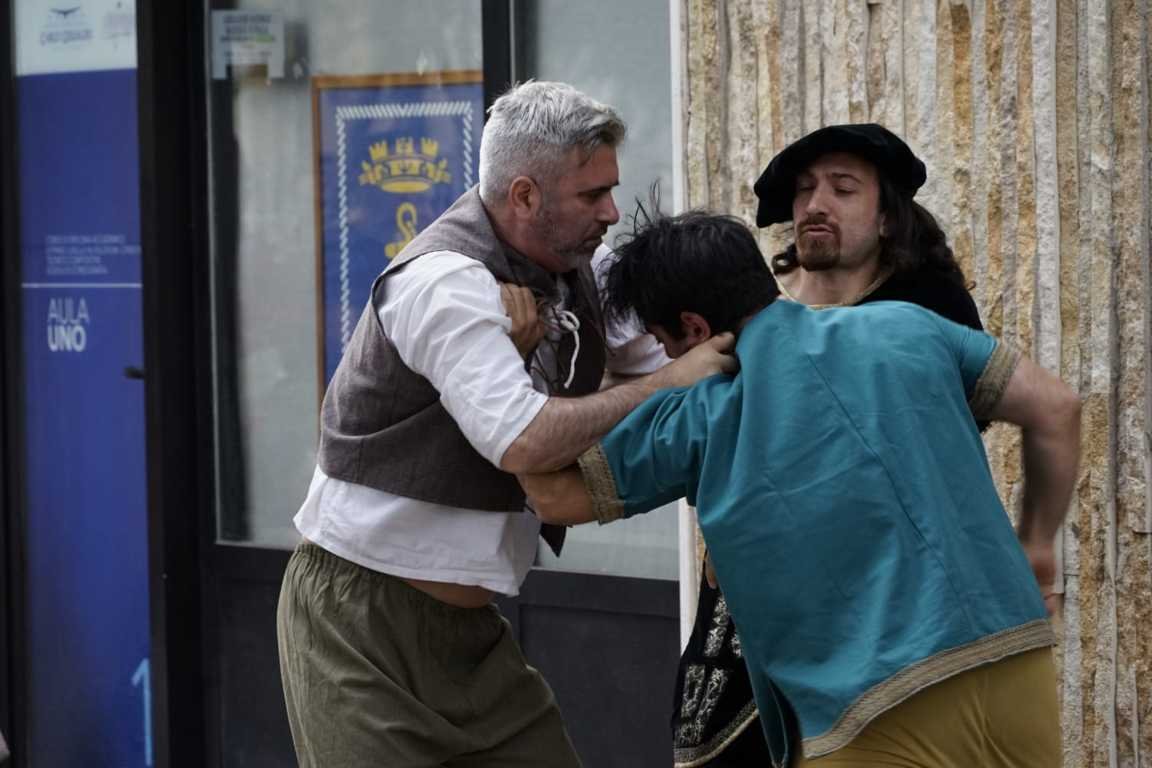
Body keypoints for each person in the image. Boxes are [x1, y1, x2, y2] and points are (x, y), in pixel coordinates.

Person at [275, 81, 736, 768]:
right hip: (359, 619)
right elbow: (522, 438)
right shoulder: (443, 283)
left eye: (611, 190)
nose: (612, 212)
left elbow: (683, 359)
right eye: (592, 195)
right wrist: (664, 385)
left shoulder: (584, 266)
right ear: (524, 196)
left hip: (471, 630)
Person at [520, 210, 1081, 768]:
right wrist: (1037, 545)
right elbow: (1057, 407)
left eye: (663, 344)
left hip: (874, 705)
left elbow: (553, 495)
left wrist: (530, 361)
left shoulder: (702, 413)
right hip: (1015, 658)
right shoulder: (909, 326)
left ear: (694, 330)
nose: (665, 359)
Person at [652, 122, 992, 768]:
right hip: (751, 595)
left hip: (879, 597)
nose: (816, 204)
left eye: (843, 189)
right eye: (806, 189)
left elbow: (937, 451)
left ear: (888, 217)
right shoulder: (760, 310)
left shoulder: (926, 310)